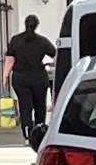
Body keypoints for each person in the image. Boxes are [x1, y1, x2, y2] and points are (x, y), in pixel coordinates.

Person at [5, 11, 57, 149]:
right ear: (37, 25)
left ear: (25, 24)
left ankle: (27, 135)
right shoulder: (42, 41)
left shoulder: (15, 40)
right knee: (40, 107)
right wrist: (50, 64)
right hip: (38, 77)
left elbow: (10, 60)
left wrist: (5, 76)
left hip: (21, 78)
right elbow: (55, 55)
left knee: (25, 106)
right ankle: (39, 134)